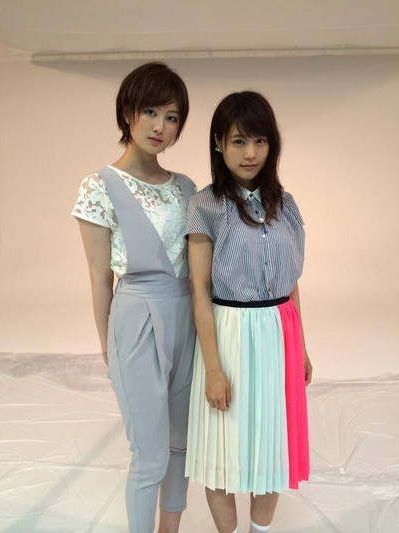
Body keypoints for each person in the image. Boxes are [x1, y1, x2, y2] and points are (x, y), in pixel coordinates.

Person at [72, 62, 196, 533]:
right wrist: (109, 342)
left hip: (186, 318)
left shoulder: (186, 188)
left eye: (172, 116)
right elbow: (99, 277)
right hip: (135, 318)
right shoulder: (98, 186)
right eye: (150, 112)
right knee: (149, 454)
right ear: (128, 113)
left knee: (181, 444)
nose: (160, 126)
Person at [185, 91, 312, 533]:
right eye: (238, 141)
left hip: (278, 333)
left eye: (259, 140)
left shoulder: (286, 204)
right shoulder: (205, 205)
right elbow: (200, 291)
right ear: (218, 143)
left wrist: (302, 348)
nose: (250, 153)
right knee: (222, 451)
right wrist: (213, 368)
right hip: (229, 332)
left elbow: (291, 282)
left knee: (271, 449)